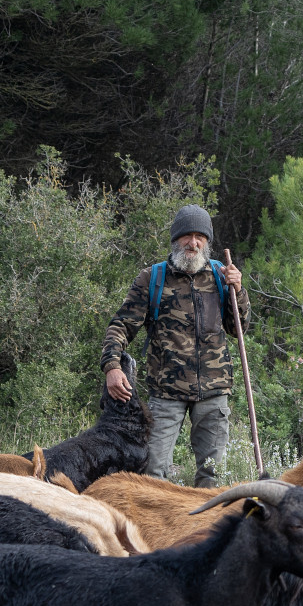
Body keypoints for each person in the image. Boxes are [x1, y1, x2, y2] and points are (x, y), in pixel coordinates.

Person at [101, 205, 251, 487]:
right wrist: (112, 366)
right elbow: (121, 325)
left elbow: (238, 329)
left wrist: (239, 291)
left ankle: (205, 518)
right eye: (187, 236)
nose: (193, 243)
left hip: (214, 393)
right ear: (175, 239)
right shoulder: (152, 278)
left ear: (207, 241)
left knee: (214, 476)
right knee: (152, 473)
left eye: (200, 237)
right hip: (166, 393)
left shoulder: (221, 276)